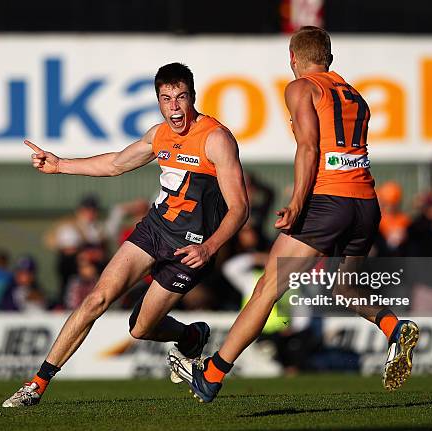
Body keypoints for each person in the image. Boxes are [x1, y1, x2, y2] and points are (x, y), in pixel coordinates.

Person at [168, 26, 419, 402]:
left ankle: (212, 375)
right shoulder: (356, 96)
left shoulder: (301, 87)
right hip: (365, 203)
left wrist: (299, 203)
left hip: (327, 202)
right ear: (329, 59)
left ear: (292, 58)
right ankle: (394, 328)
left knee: (267, 288)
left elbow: (308, 147)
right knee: (344, 285)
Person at [2, 62, 249, 407]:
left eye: (181, 97)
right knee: (96, 299)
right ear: (159, 102)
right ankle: (37, 384)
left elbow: (240, 208)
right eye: (166, 99)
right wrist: (60, 165)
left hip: (191, 248)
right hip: (154, 230)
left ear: (193, 97)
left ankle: (191, 335)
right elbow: (116, 163)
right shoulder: (158, 134)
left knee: (141, 328)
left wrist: (210, 248)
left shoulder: (216, 139)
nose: (174, 107)